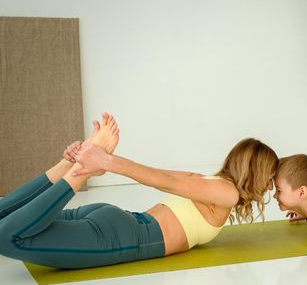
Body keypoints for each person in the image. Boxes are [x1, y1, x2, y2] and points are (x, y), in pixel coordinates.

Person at [0, 113, 278, 269]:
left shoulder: (209, 180)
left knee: (4, 219)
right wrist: (105, 162)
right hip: (123, 237)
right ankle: (76, 170)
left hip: (117, 221)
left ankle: (68, 165)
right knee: (7, 237)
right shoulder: (227, 193)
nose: (270, 185)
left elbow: (164, 174)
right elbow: (164, 180)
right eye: (270, 177)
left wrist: (104, 159)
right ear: (257, 171)